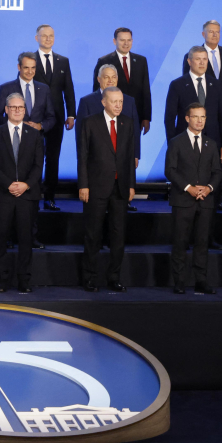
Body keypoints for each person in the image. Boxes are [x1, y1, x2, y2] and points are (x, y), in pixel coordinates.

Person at [166, 45, 222, 250]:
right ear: (189, 61)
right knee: (186, 191)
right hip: (185, 147)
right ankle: (183, 240)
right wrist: (172, 145)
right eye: (198, 59)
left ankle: (207, 238)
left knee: (211, 194)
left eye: (205, 59)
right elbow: (169, 118)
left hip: (212, 147)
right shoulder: (177, 84)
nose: (202, 62)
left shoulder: (216, 84)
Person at [0, 52, 54, 249]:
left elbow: (51, 117)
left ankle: (30, 237)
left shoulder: (44, 89)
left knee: (30, 195)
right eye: (26, 67)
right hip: (9, 149)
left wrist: (40, 126)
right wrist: (16, 123)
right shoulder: (5, 88)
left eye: (33, 68)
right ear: (19, 67)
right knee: (8, 201)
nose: (30, 72)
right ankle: (7, 238)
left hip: (32, 148)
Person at [78, 88, 137, 292]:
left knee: (118, 235)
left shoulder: (128, 123)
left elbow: (130, 158)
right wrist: (83, 185)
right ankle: (90, 278)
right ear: (104, 102)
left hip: (120, 188)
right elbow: (83, 157)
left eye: (120, 101)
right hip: (95, 187)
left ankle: (114, 278)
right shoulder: (90, 122)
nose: (119, 105)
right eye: (114, 102)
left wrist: (131, 184)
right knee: (93, 235)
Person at [0, 93, 42, 293]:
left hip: (27, 195)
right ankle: (1, 280)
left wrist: (25, 185)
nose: (17, 110)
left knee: (25, 239)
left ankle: (24, 280)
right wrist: (9, 184)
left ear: (25, 110)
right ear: (6, 110)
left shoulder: (34, 135)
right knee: (0, 239)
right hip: (2, 195)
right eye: (13, 107)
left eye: (21, 107)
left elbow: (38, 166)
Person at [164, 103, 222, 295]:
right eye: (196, 117)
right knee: (180, 242)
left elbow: (216, 172)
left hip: (205, 201)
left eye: (203, 117)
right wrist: (188, 188)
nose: (200, 121)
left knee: (202, 242)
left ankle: (201, 281)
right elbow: (170, 170)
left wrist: (209, 188)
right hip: (182, 200)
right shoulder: (176, 142)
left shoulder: (211, 144)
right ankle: (179, 282)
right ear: (187, 119)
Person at [181, 20, 222, 211]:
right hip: (195, 119)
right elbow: (187, 87)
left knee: (217, 163)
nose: (214, 35)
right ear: (203, 34)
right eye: (211, 32)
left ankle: (217, 198)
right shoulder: (191, 56)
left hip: (217, 118)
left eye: (217, 32)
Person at [93, 28, 151, 211]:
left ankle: (126, 198)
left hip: (131, 115)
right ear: (114, 41)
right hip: (108, 116)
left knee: (130, 156)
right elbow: (96, 91)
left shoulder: (141, 61)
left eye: (129, 40)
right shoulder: (104, 61)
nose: (126, 43)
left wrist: (146, 116)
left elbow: (145, 90)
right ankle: (110, 197)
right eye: (122, 40)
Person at [32, 24, 76, 211]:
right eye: (44, 36)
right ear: (37, 38)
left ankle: (49, 197)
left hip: (57, 118)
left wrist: (71, 114)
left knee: (53, 158)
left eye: (51, 36)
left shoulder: (63, 61)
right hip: (34, 119)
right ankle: (32, 196)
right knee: (33, 158)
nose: (48, 39)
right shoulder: (29, 59)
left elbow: (69, 90)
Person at [76, 65, 137, 141]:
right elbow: (81, 136)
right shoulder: (87, 102)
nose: (110, 80)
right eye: (106, 77)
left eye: (113, 77)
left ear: (117, 79)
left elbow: (135, 136)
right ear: (99, 79)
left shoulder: (129, 101)